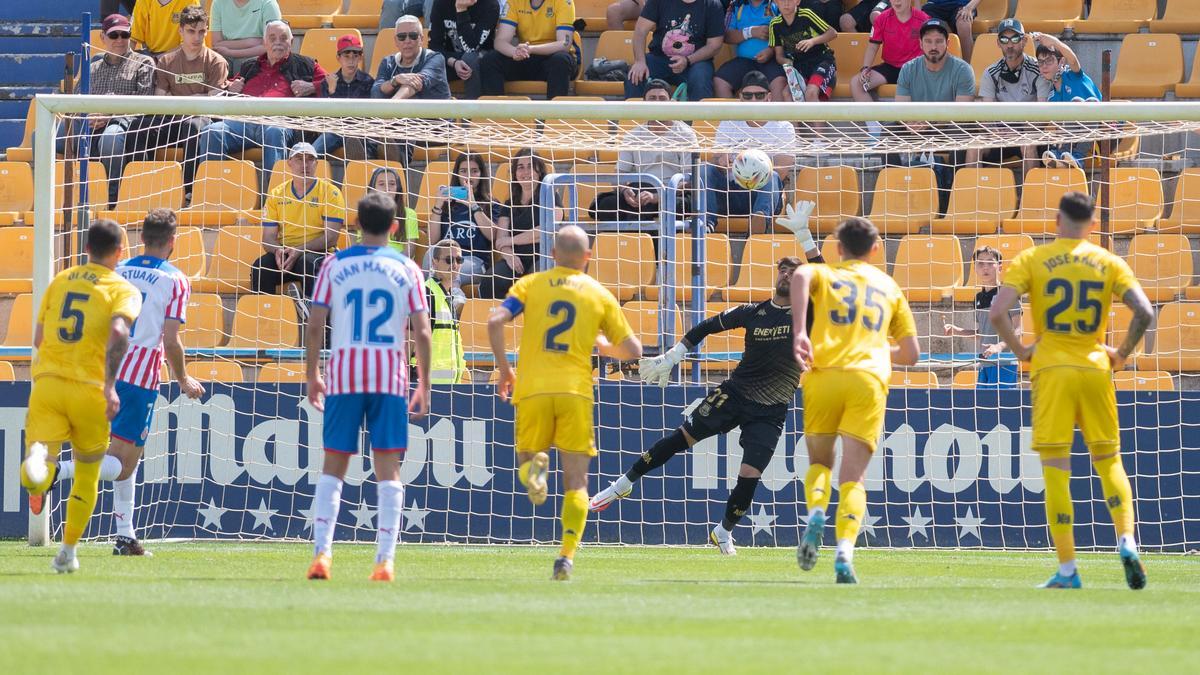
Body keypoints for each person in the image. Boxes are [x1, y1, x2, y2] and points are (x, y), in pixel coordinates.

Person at [988, 191, 1153, 590]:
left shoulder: (1034, 259)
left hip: (1051, 369)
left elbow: (996, 312)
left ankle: (1067, 570)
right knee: (1109, 461)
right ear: (1093, 225)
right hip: (1096, 368)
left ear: (1057, 221)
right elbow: (1145, 312)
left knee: (1057, 473)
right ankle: (1127, 540)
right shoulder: (1108, 261)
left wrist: (1021, 350)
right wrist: (1121, 354)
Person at [592, 256, 807, 554]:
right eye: (782, 269)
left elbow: (832, 285)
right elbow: (705, 327)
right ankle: (623, 483)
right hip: (733, 395)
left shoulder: (807, 315)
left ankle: (723, 532)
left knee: (749, 475)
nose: (786, 275)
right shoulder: (753, 312)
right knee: (680, 438)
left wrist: (807, 241)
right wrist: (672, 356)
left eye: (794, 272)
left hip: (772, 409)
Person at [44, 209, 206, 555]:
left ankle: (125, 535)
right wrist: (183, 378)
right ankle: (59, 472)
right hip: (139, 376)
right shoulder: (176, 280)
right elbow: (172, 339)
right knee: (122, 464)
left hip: (100, 368)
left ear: (140, 238)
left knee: (119, 453)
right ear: (173, 242)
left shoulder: (118, 270)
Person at [488, 225, 642, 580]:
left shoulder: (531, 285)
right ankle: (566, 556)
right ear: (587, 258)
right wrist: (604, 347)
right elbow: (633, 350)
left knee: (527, 462)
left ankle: (534, 474)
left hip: (533, 388)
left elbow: (495, 320)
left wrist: (504, 370)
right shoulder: (599, 294)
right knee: (577, 484)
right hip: (575, 391)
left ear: (552, 254)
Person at [304, 192, 433, 582]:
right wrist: (423, 382)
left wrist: (313, 373)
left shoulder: (334, 263)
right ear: (395, 227)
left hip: (344, 376)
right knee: (389, 469)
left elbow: (314, 322)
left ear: (356, 225)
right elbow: (422, 330)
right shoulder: (407, 268)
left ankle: (322, 555)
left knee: (333, 466)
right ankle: (384, 561)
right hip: (390, 378)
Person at [791, 216, 920, 584]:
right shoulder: (889, 286)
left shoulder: (827, 274)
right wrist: (876, 348)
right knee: (854, 478)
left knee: (820, 463)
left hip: (824, 373)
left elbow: (800, 275)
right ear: (877, 249)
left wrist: (800, 332)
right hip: (867, 380)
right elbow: (912, 354)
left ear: (837, 248)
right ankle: (844, 553)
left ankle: (816, 513)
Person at [20, 220, 142, 574]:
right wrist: (109, 384)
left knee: (38, 469)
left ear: (86, 249)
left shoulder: (60, 280)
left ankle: (39, 464)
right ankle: (67, 553)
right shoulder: (122, 289)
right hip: (89, 390)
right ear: (119, 252)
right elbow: (119, 330)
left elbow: (39, 339)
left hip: (48, 385)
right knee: (87, 475)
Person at [193, 20, 327, 189]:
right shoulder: (250, 65)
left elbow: (332, 83)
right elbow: (230, 87)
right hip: (244, 122)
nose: (277, 42)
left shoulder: (306, 64)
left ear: (291, 42)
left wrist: (311, 86)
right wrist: (232, 87)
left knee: (274, 131)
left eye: (283, 38)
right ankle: (211, 192)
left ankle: (274, 197)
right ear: (265, 42)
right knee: (212, 131)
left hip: (278, 122)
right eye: (272, 38)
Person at [127, 5, 228, 191]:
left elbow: (213, 102)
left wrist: (181, 98)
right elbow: (160, 100)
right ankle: (139, 186)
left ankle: (188, 190)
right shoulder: (167, 61)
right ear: (181, 30)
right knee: (138, 127)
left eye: (202, 32)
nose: (197, 37)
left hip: (200, 121)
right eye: (191, 31)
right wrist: (199, 96)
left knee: (192, 126)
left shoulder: (216, 61)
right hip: (172, 119)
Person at [62, 14, 155, 206]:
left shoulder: (144, 62)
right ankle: (51, 194)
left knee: (111, 138)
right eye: (114, 35)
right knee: (42, 137)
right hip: (90, 120)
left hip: (125, 121)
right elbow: (77, 100)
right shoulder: (93, 66)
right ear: (103, 38)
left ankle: (111, 196)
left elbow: (144, 100)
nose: (120, 40)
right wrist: (88, 115)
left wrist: (109, 113)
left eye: (125, 34)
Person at [702, 71, 794, 234]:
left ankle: (758, 224)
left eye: (759, 95)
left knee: (771, 175)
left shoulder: (783, 126)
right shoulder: (729, 122)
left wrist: (751, 172)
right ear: (740, 97)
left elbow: (782, 171)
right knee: (704, 169)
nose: (753, 100)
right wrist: (721, 162)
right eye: (748, 95)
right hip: (730, 192)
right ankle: (705, 224)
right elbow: (717, 160)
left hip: (761, 194)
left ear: (769, 97)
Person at [252, 142, 346, 303]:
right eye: (299, 159)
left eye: (310, 159)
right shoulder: (277, 194)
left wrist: (298, 250)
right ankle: (266, 320)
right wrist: (279, 251)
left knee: (308, 262)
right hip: (286, 254)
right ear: (289, 163)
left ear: (317, 163)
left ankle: (315, 316)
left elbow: (331, 238)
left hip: (318, 253)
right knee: (260, 267)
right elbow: (267, 238)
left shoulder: (331, 192)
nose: (305, 164)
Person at [600, 80, 697, 222]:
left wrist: (658, 196)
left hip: (673, 194)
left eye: (662, 98)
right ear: (644, 102)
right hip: (640, 191)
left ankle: (638, 239)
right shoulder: (632, 135)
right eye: (652, 98)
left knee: (650, 207)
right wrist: (625, 191)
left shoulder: (686, 134)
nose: (657, 102)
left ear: (671, 102)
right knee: (603, 205)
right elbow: (619, 175)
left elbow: (690, 180)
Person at [965, 18, 1050, 175]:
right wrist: (995, 131)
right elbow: (986, 115)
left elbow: (1043, 114)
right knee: (974, 146)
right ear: (999, 43)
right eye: (1004, 39)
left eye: (1015, 38)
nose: (1010, 45)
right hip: (1000, 134)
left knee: (1028, 145)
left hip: (1029, 132)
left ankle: (1027, 198)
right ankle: (972, 197)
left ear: (1024, 41)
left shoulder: (1038, 70)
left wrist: (1021, 132)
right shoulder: (991, 72)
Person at [480, 149, 562, 299]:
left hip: (543, 256)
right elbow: (500, 240)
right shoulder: (509, 203)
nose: (525, 171)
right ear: (515, 173)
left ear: (539, 170)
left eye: (530, 166)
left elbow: (547, 230)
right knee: (490, 281)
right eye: (520, 167)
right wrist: (509, 255)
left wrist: (511, 240)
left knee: (536, 283)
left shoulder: (551, 197)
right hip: (516, 258)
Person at [941, 246, 1022, 388]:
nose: (985, 267)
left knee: (1001, 408)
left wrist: (999, 346)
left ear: (1000, 267)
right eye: (980, 263)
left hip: (1004, 363)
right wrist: (957, 331)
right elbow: (983, 334)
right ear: (975, 268)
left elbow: (1019, 331)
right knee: (982, 407)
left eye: (990, 263)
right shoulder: (978, 298)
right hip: (984, 363)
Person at [480, 0, 581, 99]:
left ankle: (554, 114)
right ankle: (497, 113)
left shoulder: (564, 2)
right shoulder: (513, 2)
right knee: (490, 59)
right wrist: (514, 52)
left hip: (553, 57)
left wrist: (531, 49)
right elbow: (500, 41)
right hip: (526, 56)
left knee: (561, 60)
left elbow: (564, 44)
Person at [626, 0, 725, 100]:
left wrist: (687, 60)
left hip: (695, 62)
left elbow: (714, 45)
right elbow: (640, 30)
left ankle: (698, 116)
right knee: (635, 75)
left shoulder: (712, 4)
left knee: (701, 80)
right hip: (659, 58)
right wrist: (639, 61)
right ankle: (634, 115)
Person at [425, 153, 498, 286]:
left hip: (473, 260)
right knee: (431, 253)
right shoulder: (447, 203)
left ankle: (446, 300)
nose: (468, 176)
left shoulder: (491, 203)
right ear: (457, 174)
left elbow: (493, 235)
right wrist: (438, 205)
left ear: (481, 174)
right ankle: (452, 299)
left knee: (453, 271)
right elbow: (432, 240)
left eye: (474, 171)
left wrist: (473, 205)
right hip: (444, 256)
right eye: (463, 171)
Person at [1034, 32, 1102, 170]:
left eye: (1049, 60)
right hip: (1076, 138)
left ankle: (1077, 157)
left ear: (1061, 62)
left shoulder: (1073, 75)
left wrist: (1054, 42)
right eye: (1041, 62)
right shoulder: (1052, 96)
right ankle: (1062, 155)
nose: (1044, 66)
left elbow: (1073, 59)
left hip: (1105, 129)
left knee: (1081, 101)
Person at [311, 34, 377, 161]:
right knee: (313, 152)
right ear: (338, 58)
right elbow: (325, 116)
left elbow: (369, 116)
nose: (351, 61)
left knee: (361, 144)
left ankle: (361, 157)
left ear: (360, 58)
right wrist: (332, 91)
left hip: (358, 130)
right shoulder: (329, 81)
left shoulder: (368, 82)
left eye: (355, 56)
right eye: (346, 56)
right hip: (335, 130)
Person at [850, 0, 927, 106]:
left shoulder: (923, 19)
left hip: (915, 68)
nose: (897, 1)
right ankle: (874, 122)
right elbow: (872, 47)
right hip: (890, 67)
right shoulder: (882, 18)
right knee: (856, 83)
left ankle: (921, 121)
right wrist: (865, 68)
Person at [714, 0, 786, 101]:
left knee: (780, 82)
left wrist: (771, 50)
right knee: (720, 81)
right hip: (743, 60)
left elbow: (788, 31)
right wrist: (750, 32)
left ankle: (775, 117)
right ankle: (732, 117)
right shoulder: (736, 5)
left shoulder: (777, 3)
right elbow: (726, 36)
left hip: (772, 60)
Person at [429, 0, 500, 99]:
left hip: (481, 60)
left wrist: (461, 10)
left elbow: (471, 48)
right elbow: (434, 47)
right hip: (450, 59)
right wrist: (454, 62)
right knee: (429, 64)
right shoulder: (441, 3)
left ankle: (472, 111)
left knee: (469, 59)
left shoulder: (490, 4)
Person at [770, 0, 838, 102]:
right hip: (799, 66)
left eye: (790, 0)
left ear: (797, 2)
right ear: (776, 2)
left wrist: (812, 42)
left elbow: (832, 33)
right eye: (782, 0)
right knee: (787, 93)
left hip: (822, 61)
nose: (786, 3)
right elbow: (779, 57)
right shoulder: (774, 24)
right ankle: (795, 119)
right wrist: (788, 62)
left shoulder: (806, 14)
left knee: (810, 93)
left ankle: (818, 118)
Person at [372, 15, 453, 101]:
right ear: (396, 41)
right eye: (401, 37)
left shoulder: (435, 58)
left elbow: (416, 83)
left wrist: (392, 105)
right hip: (400, 113)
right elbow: (376, 92)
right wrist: (396, 80)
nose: (407, 41)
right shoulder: (387, 62)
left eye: (413, 36)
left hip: (435, 113)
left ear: (421, 39)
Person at [422, 239, 468, 384]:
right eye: (448, 260)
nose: (454, 265)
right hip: (428, 388)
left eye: (459, 260)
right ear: (434, 262)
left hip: (450, 389)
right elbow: (410, 341)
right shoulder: (427, 294)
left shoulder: (448, 297)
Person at [895, 19, 974, 104]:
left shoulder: (963, 70)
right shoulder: (908, 70)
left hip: (951, 118)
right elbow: (903, 112)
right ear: (921, 44)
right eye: (928, 41)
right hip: (916, 117)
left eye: (939, 41)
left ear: (947, 44)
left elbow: (962, 114)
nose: (933, 47)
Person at [209, 0, 282, 73]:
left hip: (256, 56)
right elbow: (216, 44)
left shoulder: (268, 3)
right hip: (227, 56)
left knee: (244, 65)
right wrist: (250, 42)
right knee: (213, 65)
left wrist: (230, 52)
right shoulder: (218, 3)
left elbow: (270, 46)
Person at [366, 166, 420, 254]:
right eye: (381, 184)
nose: (387, 188)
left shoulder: (409, 214)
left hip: (398, 264)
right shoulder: (367, 214)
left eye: (392, 184)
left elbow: (409, 251)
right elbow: (363, 246)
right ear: (373, 189)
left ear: (398, 188)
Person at [131, 0, 199, 56]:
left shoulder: (190, 2)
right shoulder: (143, 2)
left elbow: (190, 45)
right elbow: (133, 38)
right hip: (151, 54)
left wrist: (159, 59)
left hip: (182, 54)